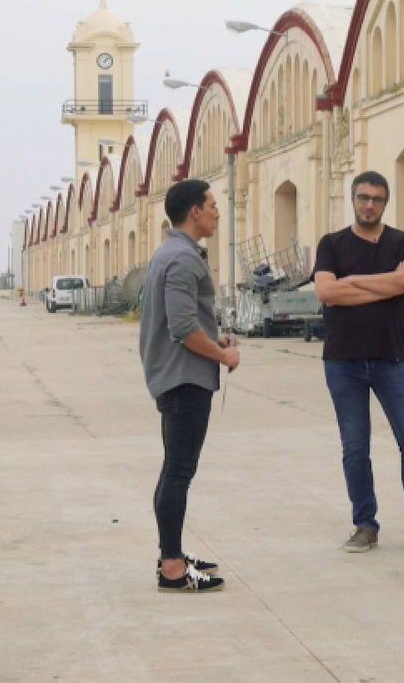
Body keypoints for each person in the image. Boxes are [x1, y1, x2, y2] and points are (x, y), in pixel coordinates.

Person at [312, 171, 404, 554]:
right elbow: (326, 291)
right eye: (363, 198)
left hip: (392, 359)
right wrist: (382, 284)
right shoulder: (331, 244)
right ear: (353, 200)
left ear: (385, 203)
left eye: (376, 199)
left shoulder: (402, 241)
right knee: (355, 446)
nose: (369, 205)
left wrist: (353, 284)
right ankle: (365, 525)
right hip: (343, 362)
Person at [140, 178, 240, 593]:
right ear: (194, 212)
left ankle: (173, 553)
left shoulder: (174, 253)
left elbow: (181, 320)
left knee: (174, 470)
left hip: (177, 374)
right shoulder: (182, 259)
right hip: (184, 378)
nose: (218, 212)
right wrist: (224, 356)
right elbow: (182, 328)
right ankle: (173, 568)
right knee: (179, 471)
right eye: (212, 206)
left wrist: (213, 338)